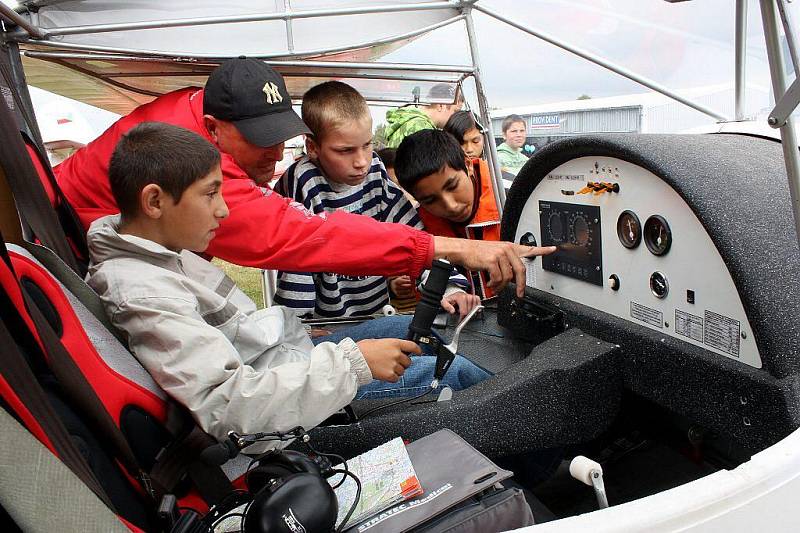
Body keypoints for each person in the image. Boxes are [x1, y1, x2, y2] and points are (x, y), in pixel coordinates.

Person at [86, 122, 490, 450]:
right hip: (288, 402)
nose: (223, 210)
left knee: (414, 331)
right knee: (453, 372)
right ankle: (542, 474)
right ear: (154, 202)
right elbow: (227, 406)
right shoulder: (144, 291)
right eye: (210, 194)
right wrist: (355, 364)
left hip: (292, 361)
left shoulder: (164, 255)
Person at [54, 56, 550, 300]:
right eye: (259, 138)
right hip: (66, 250)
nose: (275, 153)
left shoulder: (194, 109)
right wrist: (454, 249)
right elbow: (300, 236)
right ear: (212, 129)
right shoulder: (188, 163)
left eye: (279, 135)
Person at [274, 81, 474, 319]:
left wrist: (448, 288)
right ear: (312, 147)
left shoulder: (375, 174)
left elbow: (416, 237)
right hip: (325, 323)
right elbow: (295, 265)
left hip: (377, 312)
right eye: (345, 150)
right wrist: (299, 328)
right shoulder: (303, 180)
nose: (361, 161)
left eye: (367, 145)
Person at [396, 129, 555, 298]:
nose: (450, 206)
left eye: (452, 186)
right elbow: (421, 272)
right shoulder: (416, 225)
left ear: (468, 164)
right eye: (430, 200)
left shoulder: (520, 195)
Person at [383, 83, 463, 149]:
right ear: (441, 105)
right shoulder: (421, 128)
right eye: (455, 111)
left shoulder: (411, 122)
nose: (456, 117)